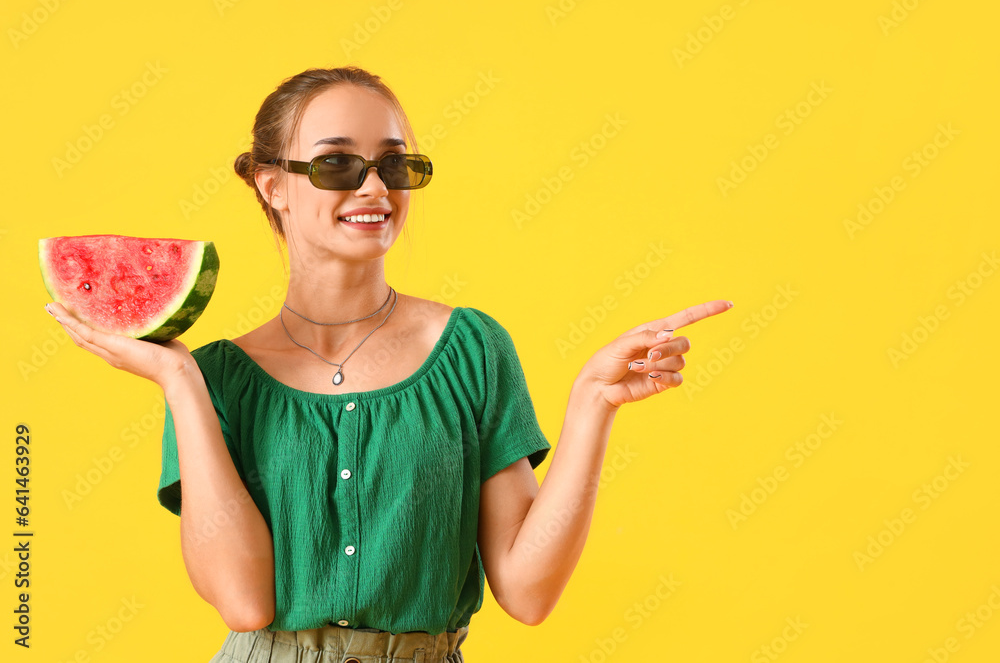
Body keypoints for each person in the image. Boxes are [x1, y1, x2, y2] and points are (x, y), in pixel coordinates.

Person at [44, 65, 733, 662]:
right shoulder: (215, 379)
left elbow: (527, 591)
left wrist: (592, 403)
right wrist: (179, 381)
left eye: (396, 164)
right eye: (337, 163)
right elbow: (244, 601)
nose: (376, 188)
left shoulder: (472, 349)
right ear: (271, 185)